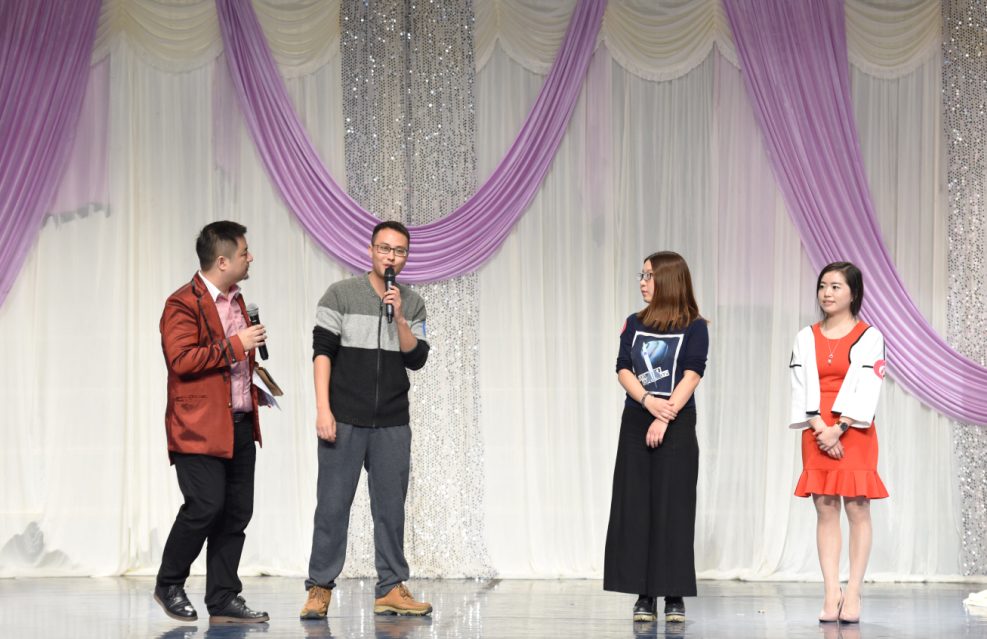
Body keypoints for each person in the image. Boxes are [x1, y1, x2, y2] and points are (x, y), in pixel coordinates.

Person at [300, 221, 431, 619]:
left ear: (406, 257)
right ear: (371, 250)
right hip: (343, 418)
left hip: (392, 421)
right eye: (385, 248)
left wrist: (400, 317)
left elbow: (417, 359)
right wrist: (323, 409)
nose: (391, 257)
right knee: (332, 506)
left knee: (391, 510)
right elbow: (322, 352)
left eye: (399, 251)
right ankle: (319, 588)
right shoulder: (340, 294)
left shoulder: (412, 302)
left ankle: (390, 588)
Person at [154, 221, 269, 623]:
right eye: (244, 252)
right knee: (205, 506)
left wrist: (254, 386)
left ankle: (223, 598)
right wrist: (237, 345)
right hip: (198, 426)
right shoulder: (182, 303)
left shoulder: (237, 301)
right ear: (222, 261)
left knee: (236, 513)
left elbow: (231, 365)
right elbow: (182, 360)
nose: (250, 257)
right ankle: (169, 583)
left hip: (239, 422)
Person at [604, 251, 709, 624]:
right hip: (637, 419)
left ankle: (674, 594)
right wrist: (648, 403)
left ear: (669, 280)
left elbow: (692, 374)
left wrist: (664, 416)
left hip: (676, 422)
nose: (643, 282)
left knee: (673, 507)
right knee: (636, 507)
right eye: (642, 275)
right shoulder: (634, 323)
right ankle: (644, 594)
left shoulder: (695, 326)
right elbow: (623, 368)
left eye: (649, 276)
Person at [789, 261, 888, 624]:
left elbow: (869, 388)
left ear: (853, 293)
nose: (827, 293)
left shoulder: (870, 336)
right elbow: (799, 386)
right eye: (822, 286)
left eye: (835, 286)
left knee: (857, 509)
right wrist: (821, 428)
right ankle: (832, 591)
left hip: (855, 432)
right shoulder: (805, 337)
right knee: (825, 508)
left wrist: (840, 427)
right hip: (816, 431)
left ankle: (854, 591)